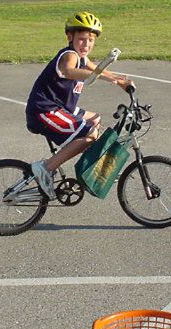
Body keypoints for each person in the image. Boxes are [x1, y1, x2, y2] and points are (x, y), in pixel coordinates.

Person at [26, 11, 135, 199]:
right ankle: (45, 168)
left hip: (61, 107)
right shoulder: (70, 55)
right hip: (44, 109)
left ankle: (93, 164)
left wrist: (120, 80)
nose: (86, 45)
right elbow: (69, 71)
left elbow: (99, 70)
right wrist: (110, 80)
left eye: (91, 40)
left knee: (95, 119)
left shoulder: (82, 58)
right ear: (70, 37)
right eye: (82, 39)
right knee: (89, 135)